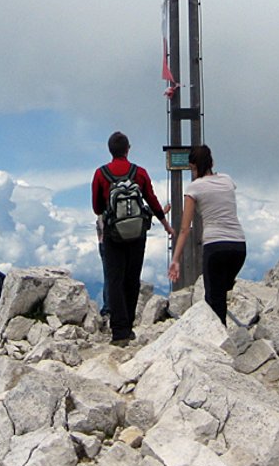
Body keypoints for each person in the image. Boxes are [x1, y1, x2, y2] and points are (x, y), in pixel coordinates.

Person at [92, 131, 173, 345]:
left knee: (115, 279)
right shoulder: (140, 173)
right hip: (137, 234)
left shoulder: (100, 174)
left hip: (112, 234)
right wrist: (165, 224)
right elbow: (152, 200)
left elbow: (97, 207)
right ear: (128, 149)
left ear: (110, 150)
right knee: (132, 279)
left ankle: (119, 331)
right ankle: (128, 327)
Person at [167, 144, 246, 324]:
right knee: (221, 290)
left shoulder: (194, 188)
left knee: (214, 298)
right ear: (212, 162)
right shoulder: (227, 180)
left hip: (215, 246)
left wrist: (176, 259)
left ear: (193, 166)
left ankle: (218, 335)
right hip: (239, 246)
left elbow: (185, 228)